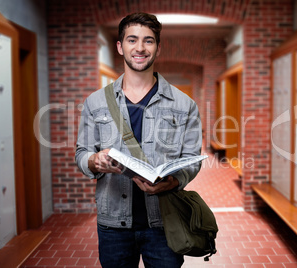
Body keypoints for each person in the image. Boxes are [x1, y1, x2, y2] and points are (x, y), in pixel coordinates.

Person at [75, 12, 202, 268]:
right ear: (120, 47)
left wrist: (173, 181)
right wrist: (94, 160)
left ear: (157, 48)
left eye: (149, 41)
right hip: (113, 226)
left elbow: (192, 160)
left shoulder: (184, 104)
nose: (140, 48)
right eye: (132, 40)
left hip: (165, 222)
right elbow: (82, 153)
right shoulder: (96, 102)